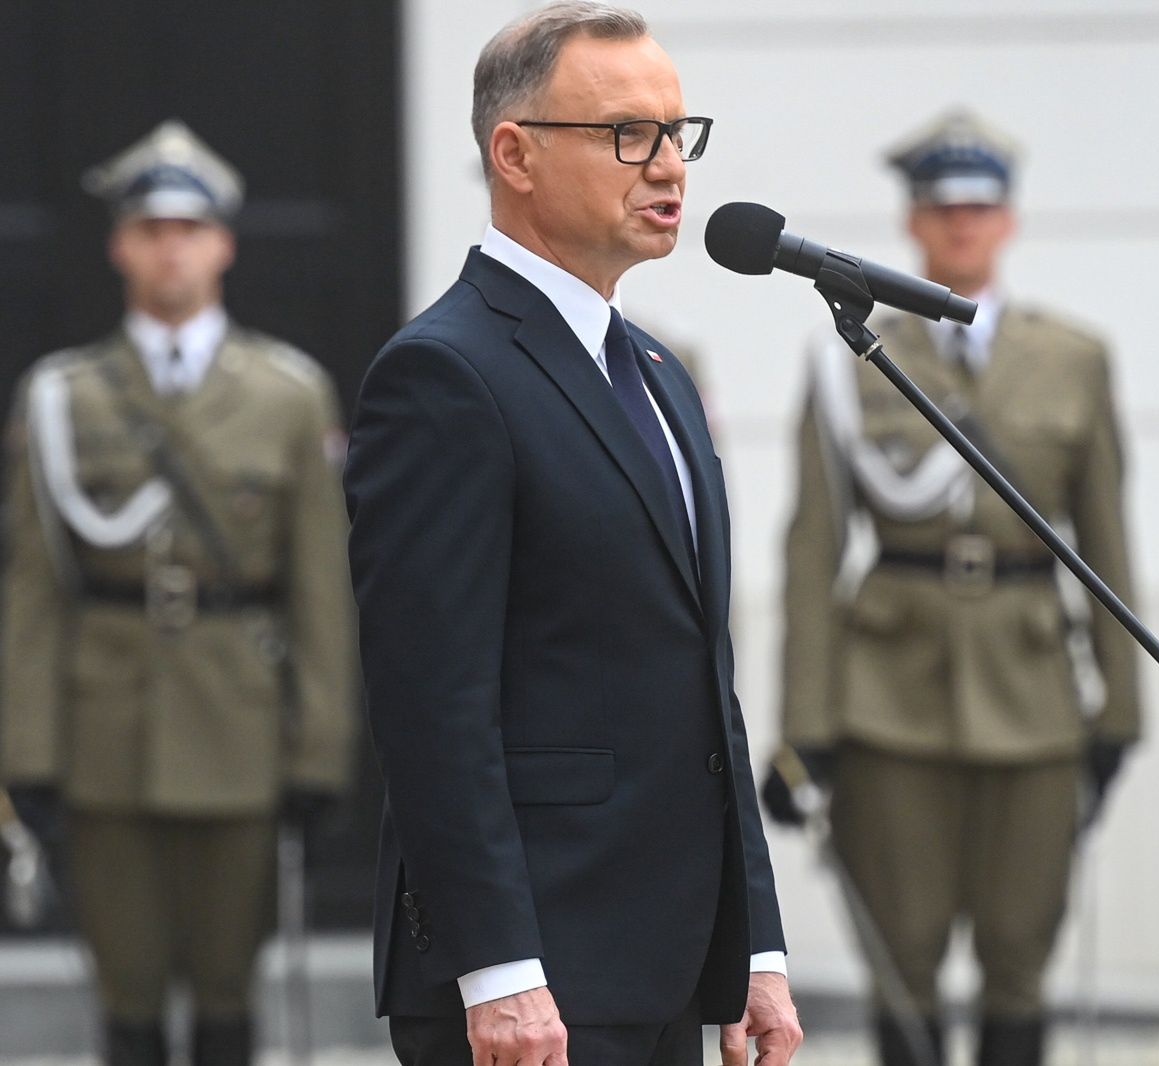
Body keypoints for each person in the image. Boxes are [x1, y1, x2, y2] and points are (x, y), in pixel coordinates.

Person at [342, 5, 802, 1066]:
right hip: (532, 978)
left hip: (666, 962)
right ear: (515, 155)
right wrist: (498, 967)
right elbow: (431, 702)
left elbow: (705, 686)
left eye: (677, 133)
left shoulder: (658, 373)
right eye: (627, 134)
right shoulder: (445, 373)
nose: (668, 167)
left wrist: (754, 947)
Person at [764, 108, 1142, 1066]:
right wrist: (805, 727)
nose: (961, 227)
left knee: (1021, 954)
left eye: (978, 210)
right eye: (942, 210)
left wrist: (1120, 710)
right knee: (904, 954)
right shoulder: (849, 355)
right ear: (914, 223)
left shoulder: (1074, 359)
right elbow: (813, 550)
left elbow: (1106, 543)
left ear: (1007, 220)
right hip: (890, 699)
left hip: (1034, 694)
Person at [0, 119, 356, 1066]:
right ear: (119, 245)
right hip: (102, 733)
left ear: (223, 244)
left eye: (189, 230)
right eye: (150, 229)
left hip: (238, 730)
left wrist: (319, 752)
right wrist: (25, 752)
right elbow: (34, 588)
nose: (171, 249)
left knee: (228, 993)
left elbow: (320, 589)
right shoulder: (63, 397)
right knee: (125, 995)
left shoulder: (288, 395)